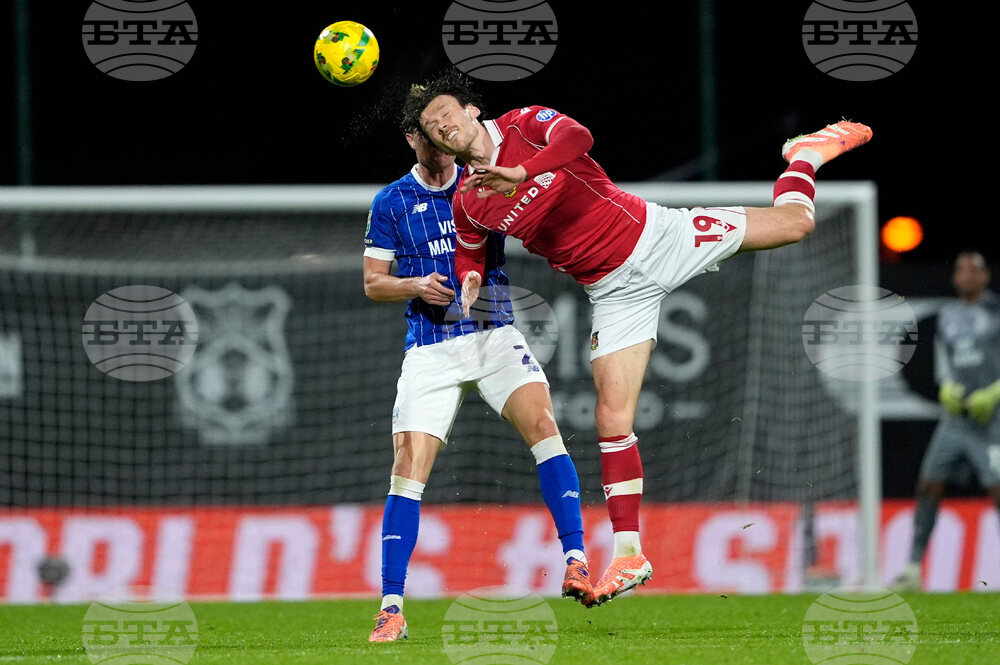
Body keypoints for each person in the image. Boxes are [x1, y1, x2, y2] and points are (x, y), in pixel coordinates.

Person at [403, 69, 873, 606]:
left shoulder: (525, 124)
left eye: (447, 114)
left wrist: (522, 171)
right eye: (432, 126)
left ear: (471, 111)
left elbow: (580, 138)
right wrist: (468, 276)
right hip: (613, 294)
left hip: (658, 238)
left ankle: (805, 158)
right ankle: (629, 553)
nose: (442, 127)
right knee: (611, 417)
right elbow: (469, 247)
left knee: (795, 225)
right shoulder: (468, 200)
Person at [364, 95, 594, 642]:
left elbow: (545, 194)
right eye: (427, 132)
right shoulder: (392, 201)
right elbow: (374, 281)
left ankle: (578, 560)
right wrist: (415, 284)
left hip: (493, 331)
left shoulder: (483, 180)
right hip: (431, 346)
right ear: (413, 141)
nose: (440, 139)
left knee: (545, 427)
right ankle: (391, 606)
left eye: (446, 128)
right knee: (407, 465)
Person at [892, 251, 1000, 591]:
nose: (965, 275)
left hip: (992, 419)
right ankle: (912, 568)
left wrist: (994, 392)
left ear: (985, 277)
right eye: (960, 270)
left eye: (973, 270)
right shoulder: (948, 315)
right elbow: (944, 364)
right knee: (928, 485)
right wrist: (947, 387)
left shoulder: (997, 311)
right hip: (955, 421)